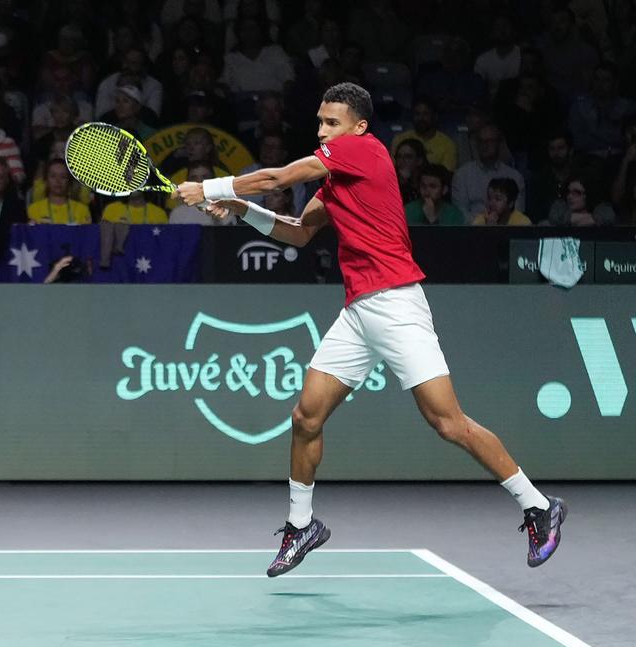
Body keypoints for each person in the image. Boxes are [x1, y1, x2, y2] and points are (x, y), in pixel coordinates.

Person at [176, 82, 565, 576]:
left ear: (358, 127)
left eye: (331, 123)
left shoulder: (365, 151)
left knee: (448, 423)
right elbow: (296, 231)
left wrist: (211, 187)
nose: (322, 131)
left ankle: (536, 504)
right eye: (319, 122)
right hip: (358, 311)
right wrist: (237, 209)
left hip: (398, 303)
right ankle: (301, 526)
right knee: (305, 417)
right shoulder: (335, 182)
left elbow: (279, 175)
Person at [452, 125, 525, 221]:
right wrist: (484, 222)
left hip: (505, 231)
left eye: (490, 141)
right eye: (481, 141)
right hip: (472, 231)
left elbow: (517, 213)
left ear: (499, 143)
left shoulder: (515, 177)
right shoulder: (462, 174)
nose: (485, 145)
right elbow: (460, 213)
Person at [99, 192, 168, 268]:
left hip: (151, 264)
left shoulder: (159, 213)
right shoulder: (112, 209)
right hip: (119, 266)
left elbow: (164, 245)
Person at [389, 98, 457, 172]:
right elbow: (392, 170)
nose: (421, 118)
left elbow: (446, 175)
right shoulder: (400, 139)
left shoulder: (447, 144)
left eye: (426, 114)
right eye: (417, 114)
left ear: (435, 116)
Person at [27, 160, 91, 224]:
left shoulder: (82, 210)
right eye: (53, 176)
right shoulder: (34, 210)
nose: (58, 181)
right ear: (46, 180)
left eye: (63, 177)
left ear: (69, 181)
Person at [544, 177, 617, 226]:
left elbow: (609, 217)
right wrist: (591, 218)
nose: (570, 196)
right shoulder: (560, 207)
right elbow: (555, 219)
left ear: (587, 195)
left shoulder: (602, 209)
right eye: (569, 192)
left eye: (576, 193)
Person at [393, 138, 427, 206]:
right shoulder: (390, 182)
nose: (401, 161)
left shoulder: (427, 183)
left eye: (408, 157)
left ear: (419, 160)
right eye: (399, 156)